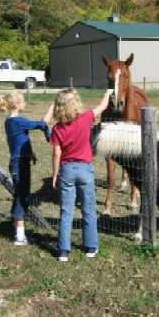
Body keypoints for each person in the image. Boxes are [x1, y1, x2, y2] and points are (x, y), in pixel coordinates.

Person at [49, 88, 114, 262]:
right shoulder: (86, 119)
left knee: (66, 211)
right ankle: (90, 247)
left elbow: (56, 154)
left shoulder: (57, 129)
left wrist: (55, 175)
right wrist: (108, 93)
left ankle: (63, 250)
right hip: (85, 169)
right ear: (76, 104)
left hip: (67, 170)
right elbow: (101, 107)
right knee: (89, 209)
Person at [0, 91, 53, 245]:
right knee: (22, 198)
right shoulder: (18, 121)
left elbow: (19, 140)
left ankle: (20, 232)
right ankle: (19, 237)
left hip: (20, 160)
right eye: (22, 101)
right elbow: (42, 124)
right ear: (15, 105)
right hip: (19, 164)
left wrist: (30, 153)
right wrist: (52, 108)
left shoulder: (10, 121)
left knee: (21, 196)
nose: (25, 103)